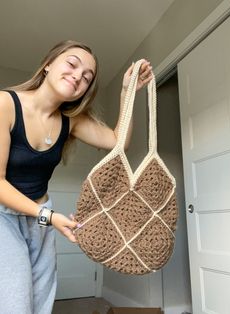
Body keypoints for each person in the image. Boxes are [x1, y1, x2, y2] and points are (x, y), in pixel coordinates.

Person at [0, 39, 153, 314]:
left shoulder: (72, 121)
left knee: (41, 300)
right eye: (72, 64)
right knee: (15, 304)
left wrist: (126, 92)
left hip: (41, 216)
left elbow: (119, 142)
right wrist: (49, 217)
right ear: (48, 65)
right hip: (5, 216)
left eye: (87, 77)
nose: (78, 77)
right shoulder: (5, 104)